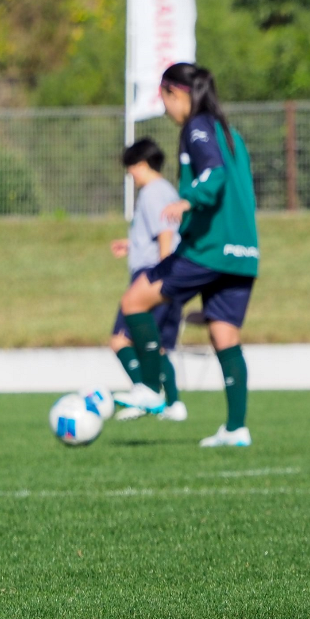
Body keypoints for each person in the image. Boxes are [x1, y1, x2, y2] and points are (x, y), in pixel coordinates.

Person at [113, 62, 260, 448]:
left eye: (164, 98)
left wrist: (188, 200)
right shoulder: (231, 134)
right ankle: (236, 428)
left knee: (133, 302)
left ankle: (149, 388)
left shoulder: (196, 127)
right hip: (243, 252)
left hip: (208, 249)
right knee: (224, 334)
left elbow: (213, 177)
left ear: (177, 93)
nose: (164, 108)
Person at [109, 137, 186, 422]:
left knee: (120, 340)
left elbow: (165, 233)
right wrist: (131, 245)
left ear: (141, 165)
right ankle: (175, 405)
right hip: (167, 272)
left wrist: (161, 274)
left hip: (153, 274)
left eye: (131, 167)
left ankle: (146, 394)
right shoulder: (167, 190)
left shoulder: (152, 192)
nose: (130, 173)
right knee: (158, 344)